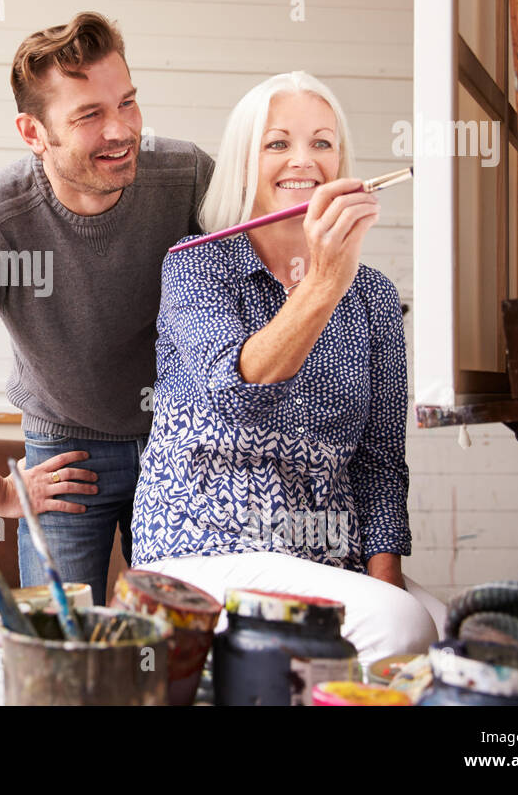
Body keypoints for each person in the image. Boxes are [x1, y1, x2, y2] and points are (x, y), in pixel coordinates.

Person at [130, 70, 446, 668]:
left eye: (322, 143)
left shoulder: (374, 297)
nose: (303, 160)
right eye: (278, 143)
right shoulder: (194, 267)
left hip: (326, 557)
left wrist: (387, 580)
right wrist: (325, 280)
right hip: (201, 551)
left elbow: (379, 461)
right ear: (247, 162)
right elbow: (237, 392)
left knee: (441, 631)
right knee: (402, 628)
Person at [0, 12, 213, 604]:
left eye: (128, 103)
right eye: (90, 115)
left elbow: (261, 289)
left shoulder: (187, 178)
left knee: (179, 644)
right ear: (33, 132)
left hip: (182, 442)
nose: (121, 130)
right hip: (66, 457)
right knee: (60, 655)